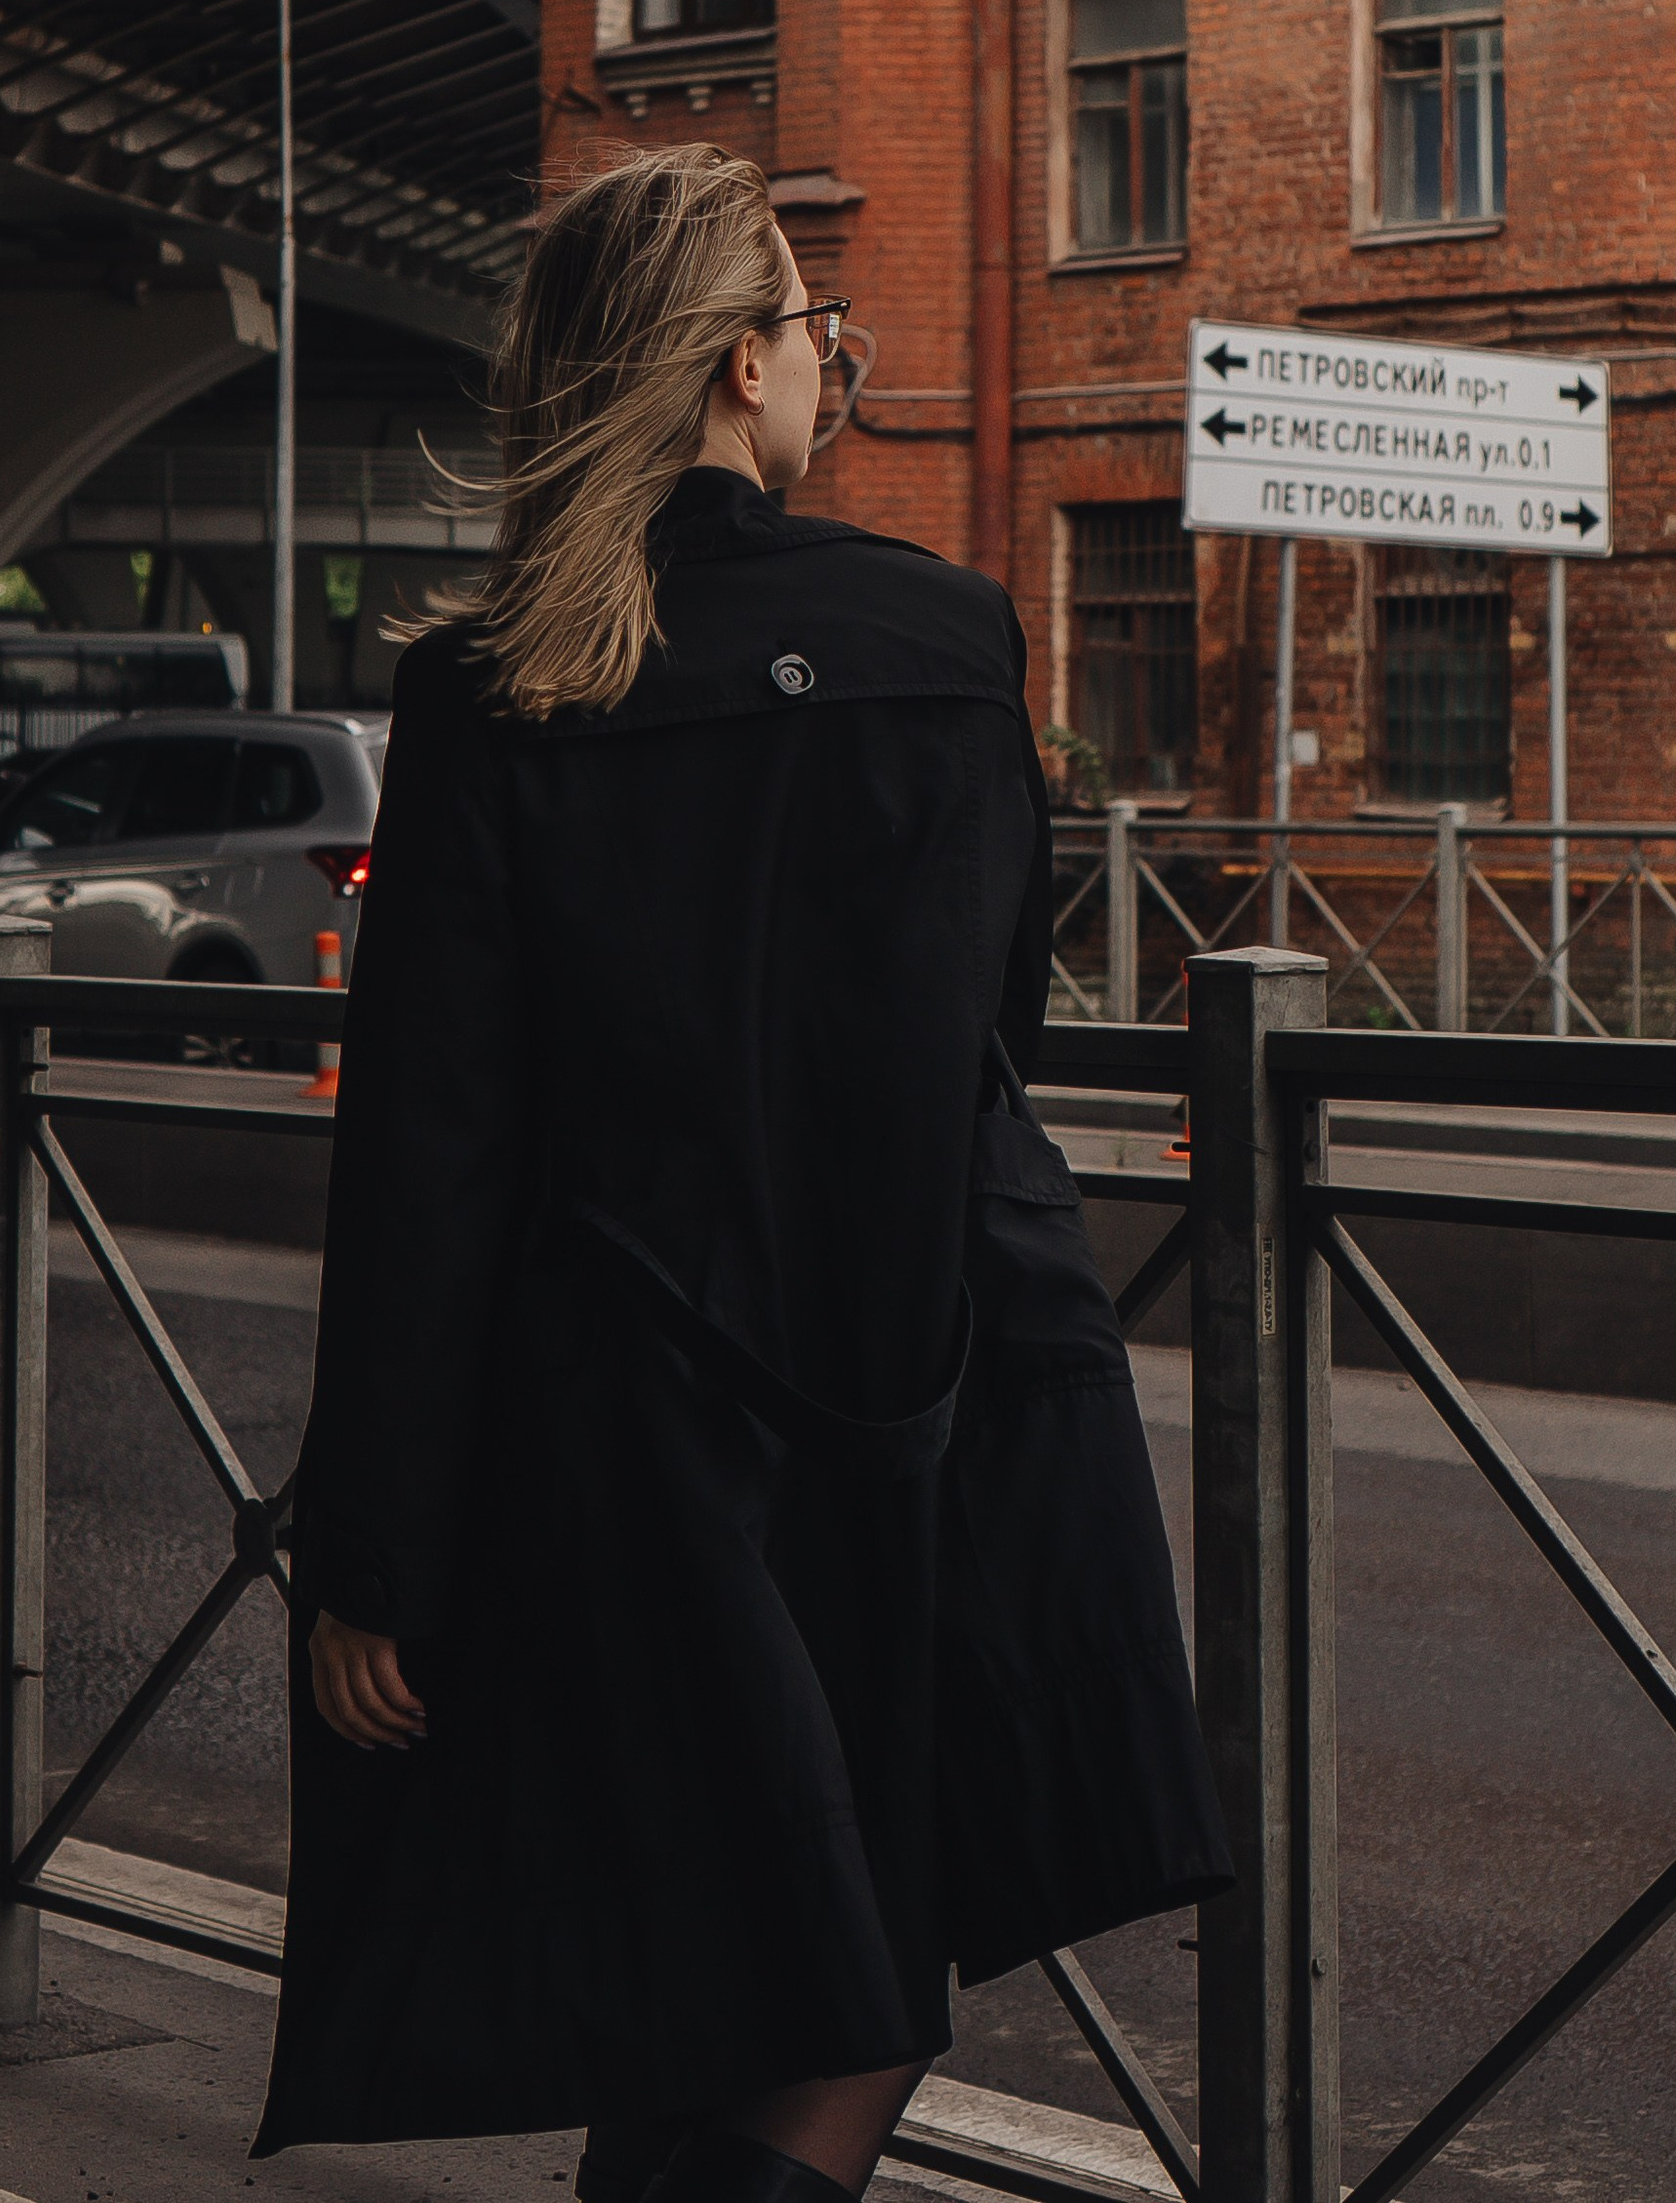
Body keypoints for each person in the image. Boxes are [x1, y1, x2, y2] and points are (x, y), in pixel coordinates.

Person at [255, 147, 1226, 2203]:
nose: (825, 366)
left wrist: (375, 1554)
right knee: (835, 1976)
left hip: (635, 1438)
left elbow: (429, 1155)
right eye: (809, 330)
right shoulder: (949, 633)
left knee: (713, 1949)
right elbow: (993, 1029)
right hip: (937, 1397)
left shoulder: (489, 683)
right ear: (734, 365)